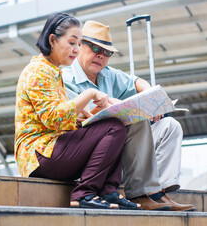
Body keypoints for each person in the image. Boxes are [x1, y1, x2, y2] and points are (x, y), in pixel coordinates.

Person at [62, 20, 196, 211]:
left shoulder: (107, 74)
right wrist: (116, 106)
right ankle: (141, 194)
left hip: (117, 152)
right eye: (95, 48)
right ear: (80, 46)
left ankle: (159, 193)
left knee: (170, 126)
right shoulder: (66, 78)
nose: (101, 55)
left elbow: (136, 82)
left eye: (107, 52)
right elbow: (82, 119)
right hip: (90, 155)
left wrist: (152, 99)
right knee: (134, 118)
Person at [14, 13, 141, 210]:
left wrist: (89, 117)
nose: (76, 50)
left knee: (113, 122)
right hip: (39, 155)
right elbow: (55, 119)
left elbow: (61, 118)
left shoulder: (52, 71)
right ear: (52, 39)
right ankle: (85, 194)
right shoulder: (38, 71)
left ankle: (108, 191)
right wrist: (90, 93)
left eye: (79, 44)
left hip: (49, 150)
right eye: (72, 42)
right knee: (113, 128)